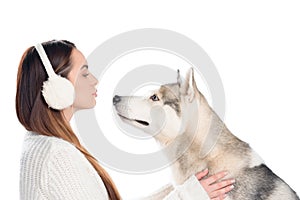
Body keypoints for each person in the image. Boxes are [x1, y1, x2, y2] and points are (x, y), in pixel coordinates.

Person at [16, 40, 235, 200]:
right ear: (58, 87)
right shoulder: (56, 156)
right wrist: (188, 197)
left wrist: (180, 190)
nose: (94, 80)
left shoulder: (44, 145)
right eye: (84, 73)